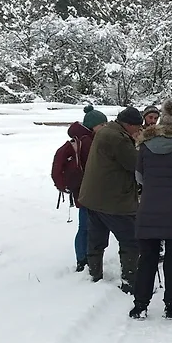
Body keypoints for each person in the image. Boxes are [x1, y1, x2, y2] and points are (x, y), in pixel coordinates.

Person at [128, 99, 172, 321]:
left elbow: (139, 177)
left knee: (147, 258)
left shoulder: (145, 146)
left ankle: (140, 305)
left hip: (148, 207)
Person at [78, 106, 143, 294]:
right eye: (137, 127)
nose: (139, 130)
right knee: (131, 241)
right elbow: (134, 164)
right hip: (114, 200)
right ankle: (130, 282)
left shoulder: (106, 131)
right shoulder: (119, 139)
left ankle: (94, 273)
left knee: (96, 239)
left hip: (93, 197)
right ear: (128, 124)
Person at [51, 105, 108, 272]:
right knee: (86, 227)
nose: (104, 128)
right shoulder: (88, 141)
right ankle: (84, 259)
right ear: (93, 125)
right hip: (88, 191)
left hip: (81, 190)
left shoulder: (80, 139)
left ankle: (83, 258)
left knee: (85, 226)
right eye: (102, 125)